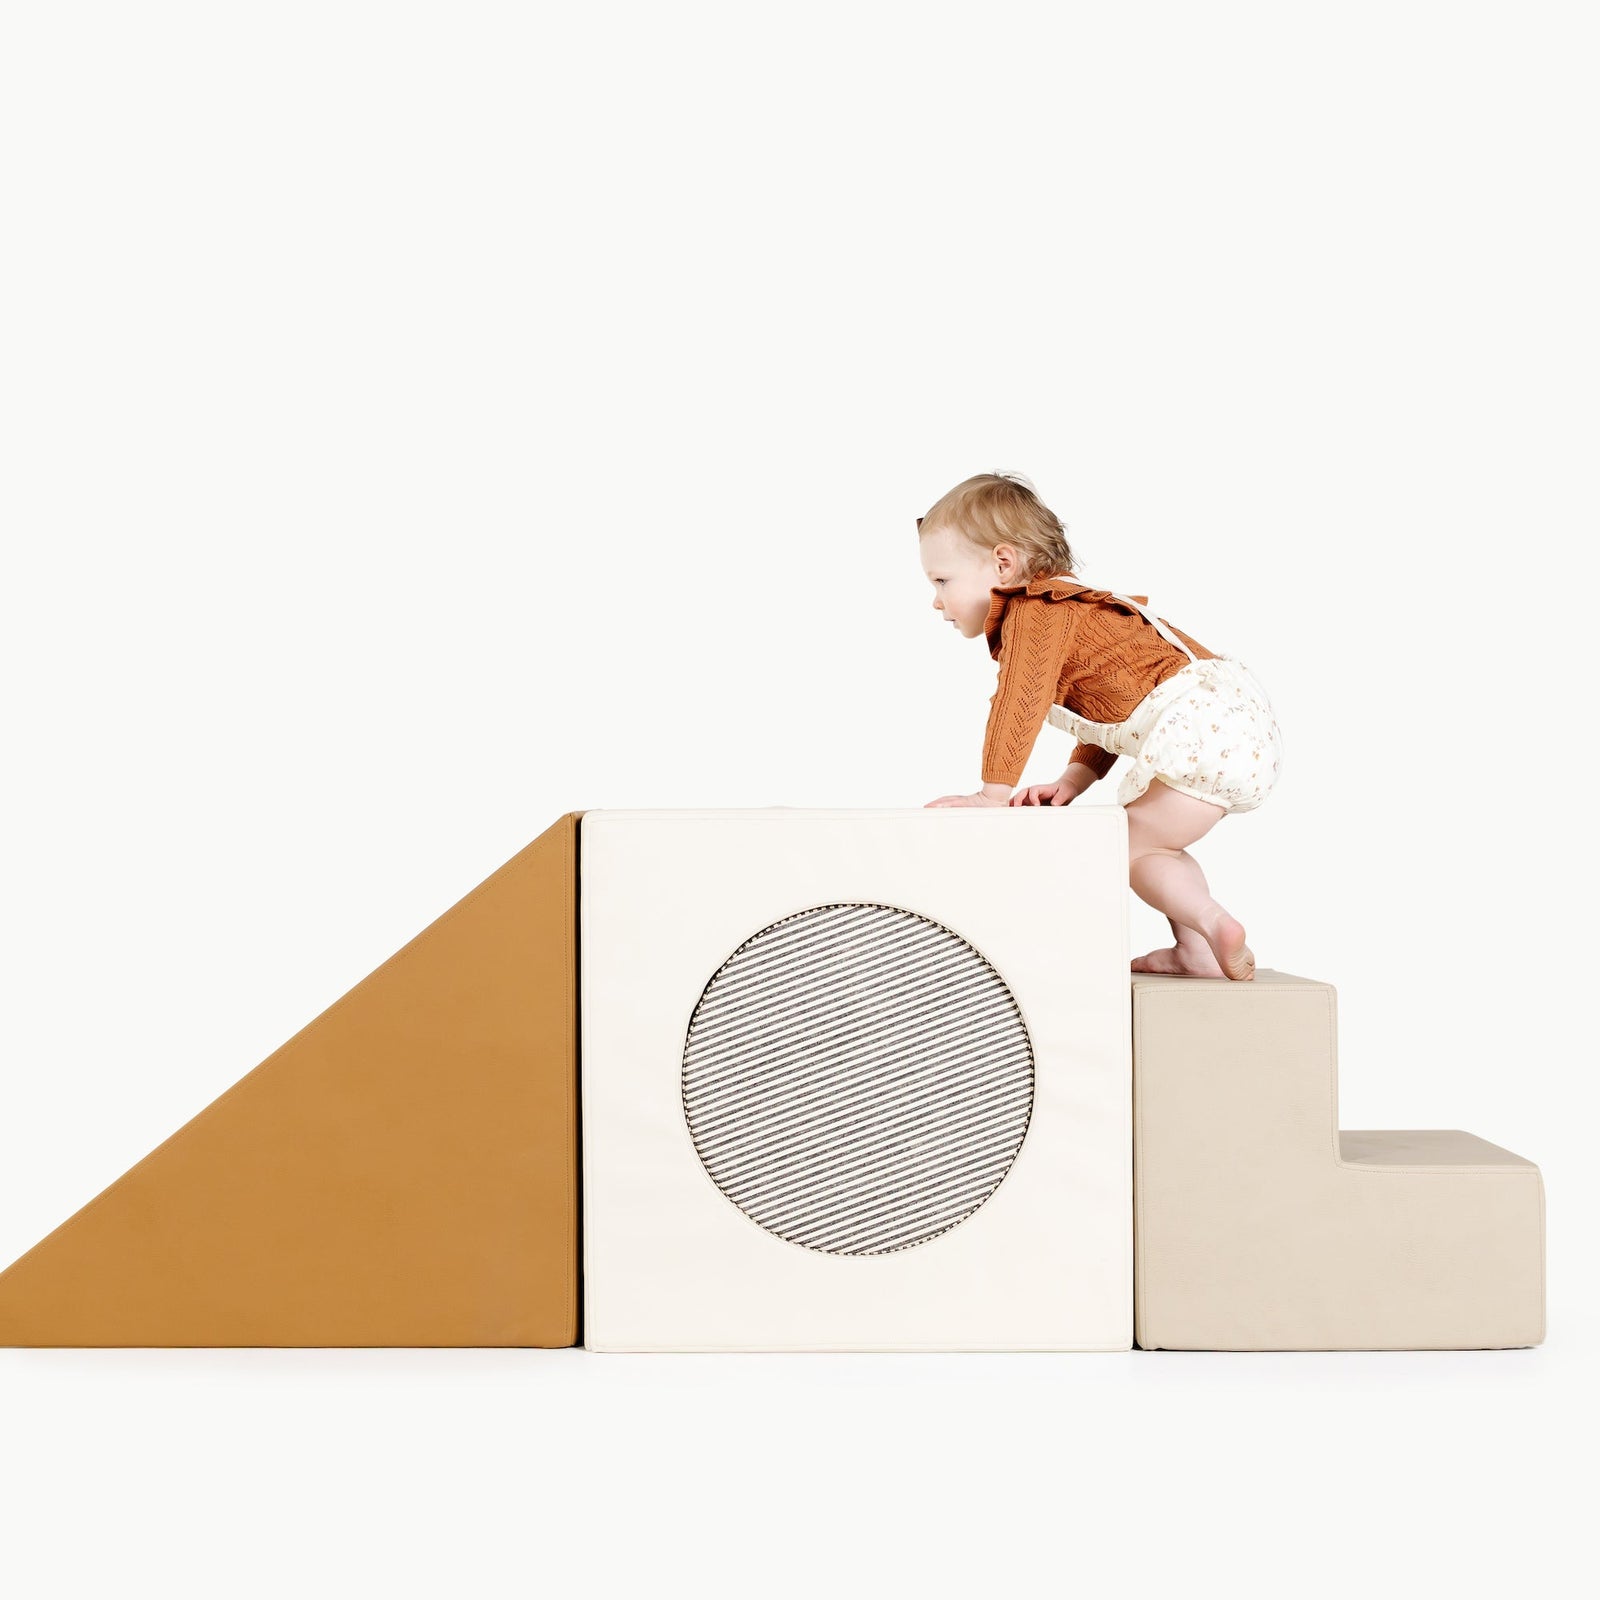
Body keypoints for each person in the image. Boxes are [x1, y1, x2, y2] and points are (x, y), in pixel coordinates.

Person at [920, 471, 1283, 982]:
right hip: (1227, 725)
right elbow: (1116, 712)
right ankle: (1197, 952)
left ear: (1003, 564)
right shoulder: (1077, 609)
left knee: (1126, 848)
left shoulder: (1034, 611)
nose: (936, 600)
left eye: (942, 581)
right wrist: (1073, 781)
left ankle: (1211, 920)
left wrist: (991, 794)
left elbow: (1018, 700)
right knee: (1153, 845)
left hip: (1204, 726)